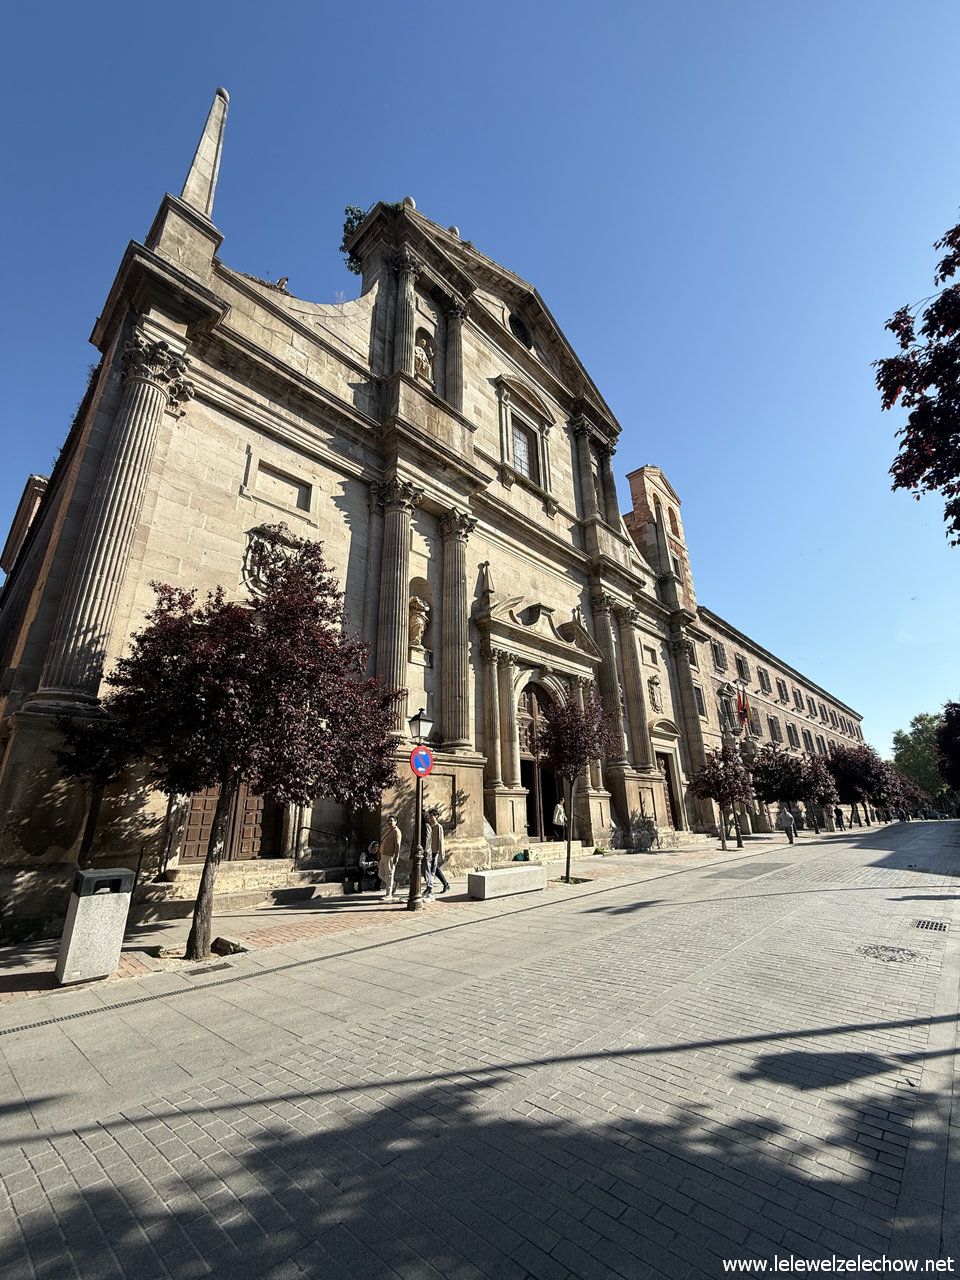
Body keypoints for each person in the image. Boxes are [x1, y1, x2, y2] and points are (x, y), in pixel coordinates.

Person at [422, 810, 449, 901]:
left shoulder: (438, 827)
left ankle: (430, 888)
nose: (430, 818)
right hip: (429, 851)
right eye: (429, 816)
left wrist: (441, 853)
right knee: (434, 869)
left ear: (436, 816)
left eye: (431, 816)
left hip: (434, 851)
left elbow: (440, 840)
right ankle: (445, 884)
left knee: (432, 870)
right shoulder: (429, 826)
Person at [378, 816, 402, 899]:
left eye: (391, 820)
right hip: (383, 855)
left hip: (390, 855)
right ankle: (393, 884)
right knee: (381, 874)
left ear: (395, 821)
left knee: (389, 875)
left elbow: (397, 845)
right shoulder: (388, 830)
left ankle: (389, 894)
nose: (389, 822)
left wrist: (396, 856)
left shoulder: (396, 831)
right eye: (388, 821)